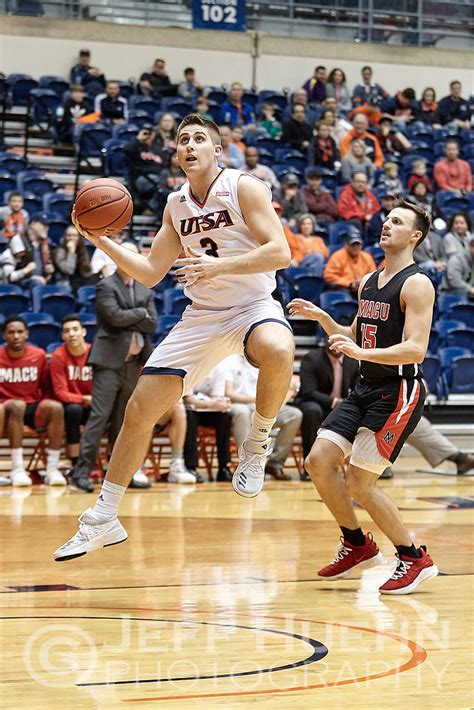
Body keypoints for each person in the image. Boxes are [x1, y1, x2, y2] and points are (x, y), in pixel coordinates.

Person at [54, 113, 294, 561]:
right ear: (176, 153)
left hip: (251, 307)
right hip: (202, 315)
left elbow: (281, 252)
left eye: (200, 138)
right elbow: (148, 274)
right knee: (140, 409)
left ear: (217, 150)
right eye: (182, 139)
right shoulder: (175, 203)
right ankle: (103, 517)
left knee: (280, 348)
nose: (189, 145)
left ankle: (257, 443)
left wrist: (219, 267)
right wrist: (99, 239)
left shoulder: (243, 187)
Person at [288, 198, 439, 595]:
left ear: (415, 236)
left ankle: (413, 556)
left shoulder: (417, 283)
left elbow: (416, 348)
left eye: (397, 221)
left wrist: (363, 355)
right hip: (365, 388)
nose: (386, 225)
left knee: (360, 482)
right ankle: (356, 543)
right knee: (318, 462)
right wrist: (322, 318)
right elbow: (356, 333)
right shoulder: (370, 280)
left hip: (399, 391)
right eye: (386, 219)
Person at [67, 243, 158, 494]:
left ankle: (115, 476)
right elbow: (114, 317)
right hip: (108, 363)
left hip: (132, 365)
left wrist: (136, 317)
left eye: (134, 254)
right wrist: (140, 313)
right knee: (99, 419)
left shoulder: (144, 287)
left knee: (122, 423)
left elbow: (153, 324)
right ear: (118, 258)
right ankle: (81, 474)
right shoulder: (106, 285)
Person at [0, 315, 66, 487]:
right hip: (5, 408)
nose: (16, 336)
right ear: (4, 336)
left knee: (55, 408)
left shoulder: (39, 355)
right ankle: (17, 468)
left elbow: (46, 387)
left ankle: (52, 469)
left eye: (20, 332)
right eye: (11, 332)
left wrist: (43, 407)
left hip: (31, 406)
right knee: (17, 405)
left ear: (27, 334)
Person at [216, 354, 302, 480]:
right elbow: (228, 393)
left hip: (262, 406)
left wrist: (288, 388)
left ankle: (275, 464)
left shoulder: (264, 359)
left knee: (294, 415)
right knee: (242, 412)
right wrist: (256, 400)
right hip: (238, 405)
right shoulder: (230, 360)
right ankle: (247, 463)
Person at [296, 341, 359, 461]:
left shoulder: (352, 360)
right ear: (326, 341)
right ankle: (309, 463)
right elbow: (308, 391)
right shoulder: (312, 358)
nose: (336, 346)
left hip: (340, 407)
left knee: (363, 410)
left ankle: (367, 463)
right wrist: (334, 402)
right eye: (332, 341)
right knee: (312, 411)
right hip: (313, 403)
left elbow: (358, 389)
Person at [50, 315, 92, 468]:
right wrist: (83, 399)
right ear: (62, 336)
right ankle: (75, 460)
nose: (72, 334)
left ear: (84, 332)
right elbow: (60, 392)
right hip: (73, 406)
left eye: (75, 329)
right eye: (67, 331)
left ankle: (110, 460)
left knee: (113, 409)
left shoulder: (95, 352)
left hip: (95, 404)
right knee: (74, 410)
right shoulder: (58, 356)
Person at [183, 383, 233, 482]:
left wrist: (220, 403)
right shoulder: (191, 368)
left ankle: (224, 467)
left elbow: (217, 397)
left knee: (225, 417)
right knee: (189, 418)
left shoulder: (218, 369)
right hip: (191, 410)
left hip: (210, 410)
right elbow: (188, 399)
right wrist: (209, 403)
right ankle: (191, 467)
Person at [125, 127, 164, 209]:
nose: (148, 137)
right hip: (142, 178)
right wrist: (138, 139)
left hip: (157, 176)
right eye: (146, 134)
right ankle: (152, 208)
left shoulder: (158, 148)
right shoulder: (137, 147)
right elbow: (126, 150)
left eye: (150, 134)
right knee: (164, 180)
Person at [54, 225, 98, 294]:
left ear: (78, 237)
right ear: (65, 237)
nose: (71, 238)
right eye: (69, 235)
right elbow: (69, 271)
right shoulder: (60, 251)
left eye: (74, 235)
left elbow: (87, 270)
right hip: (67, 281)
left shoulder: (82, 249)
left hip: (82, 280)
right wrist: (71, 252)